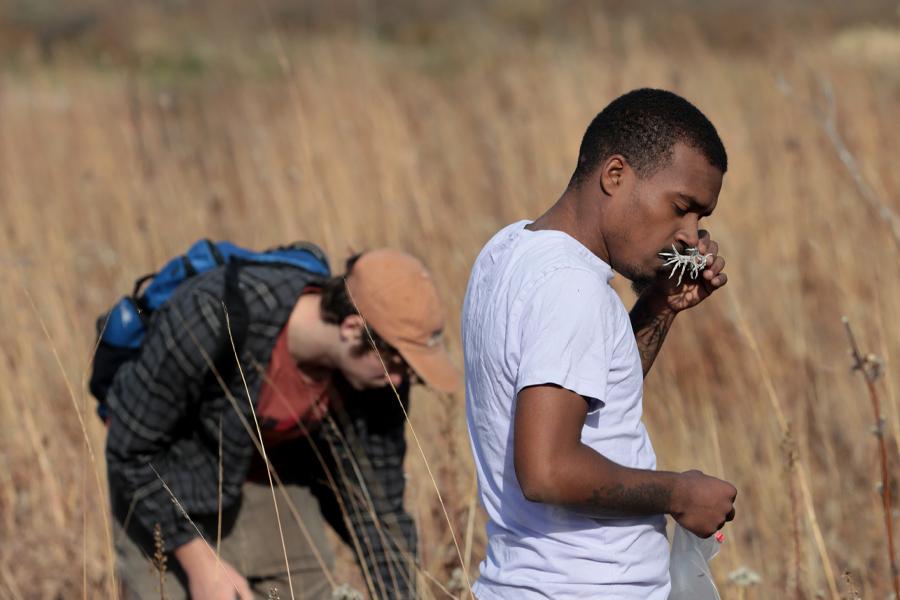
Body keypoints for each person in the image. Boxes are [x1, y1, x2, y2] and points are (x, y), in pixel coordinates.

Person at [462, 88, 738, 599]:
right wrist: (679, 493)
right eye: (681, 208)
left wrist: (659, 305)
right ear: (615, 175)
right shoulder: (572, 288)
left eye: (700, 220)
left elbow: (592, 391)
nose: (689, 235)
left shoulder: (508, 250)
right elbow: (546, 470)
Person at [105, 247, 459, 599]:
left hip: (269, 484)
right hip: (164, 486)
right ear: (353, 329)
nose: (400, 381)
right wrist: (201, 566)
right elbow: (129, 451)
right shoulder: (212, 314)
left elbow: (380, 512)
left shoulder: (378, 383)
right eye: (395, 361)